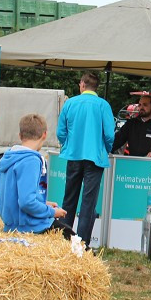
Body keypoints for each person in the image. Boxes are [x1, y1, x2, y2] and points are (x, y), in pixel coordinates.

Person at [56, 72, 115, 248]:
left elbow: (60, 132)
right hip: (95, 158)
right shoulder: (103, 105)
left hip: (73, 155)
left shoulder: (70, 103)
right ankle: (82, 243)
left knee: (69, 198)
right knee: (89, 202)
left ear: (82, 84)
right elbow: (109, 135)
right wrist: (105, 148)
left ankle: (65, 237)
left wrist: (68, 145)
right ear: (96, 87)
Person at [0, 113, 72, 239]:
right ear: (44, 134)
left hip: (11, 226)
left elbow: (13, 195)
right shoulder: (31, 161)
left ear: (20, 135)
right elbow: (27, 202)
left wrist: (43, 203)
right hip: (30, 227)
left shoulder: (8, 157)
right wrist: (52, 212)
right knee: (79, 245)